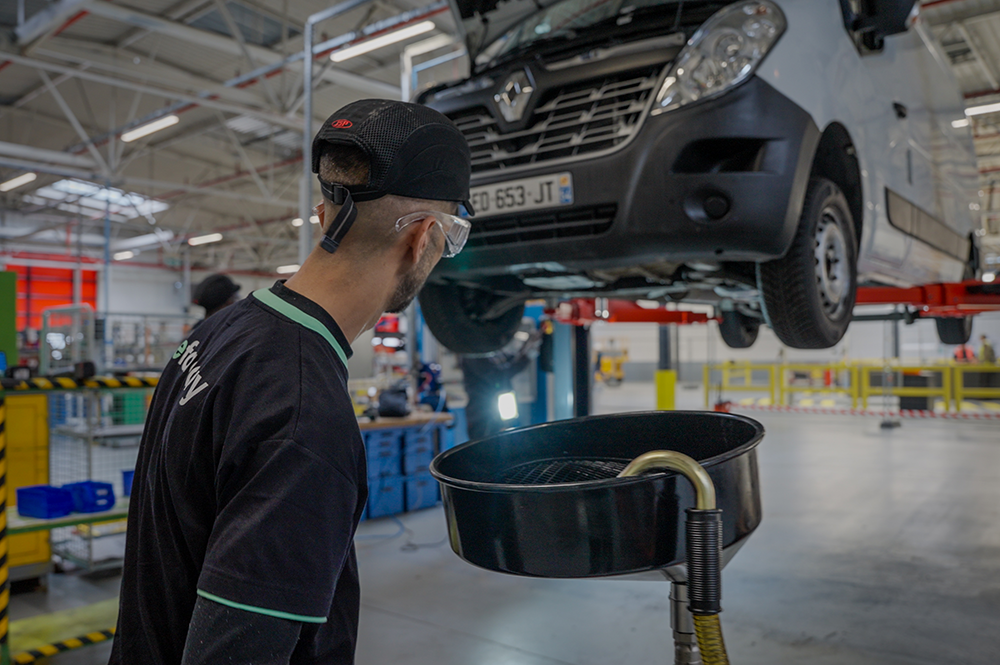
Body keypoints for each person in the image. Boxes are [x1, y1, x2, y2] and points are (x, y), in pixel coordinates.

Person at [110, 99, 473, 665]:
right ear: (423, 237)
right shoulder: (306, 419)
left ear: (325, 216)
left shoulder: (218, 334)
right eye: (449, 239)